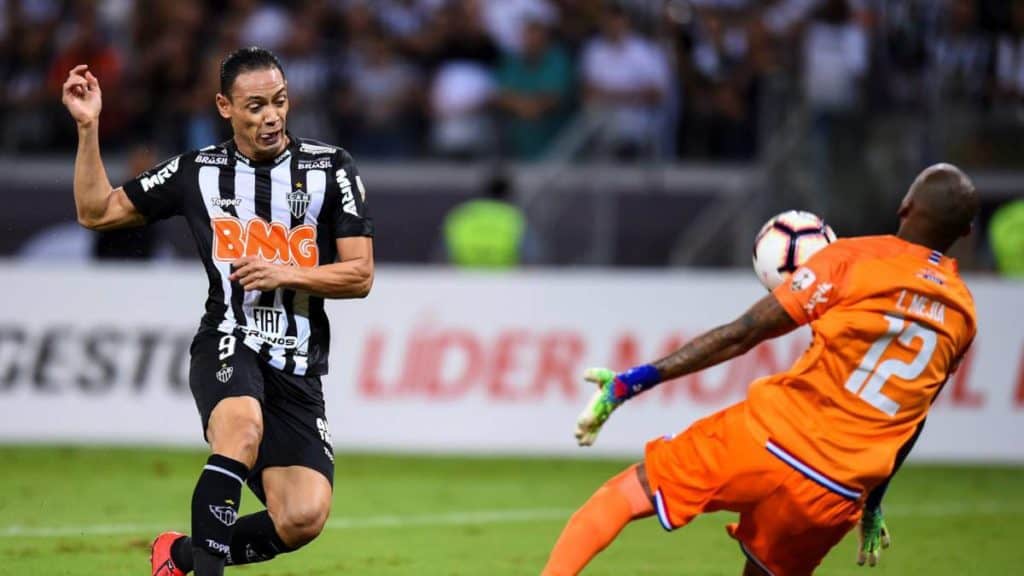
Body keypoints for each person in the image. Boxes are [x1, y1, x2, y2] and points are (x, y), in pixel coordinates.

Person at [542, 163, 979, 575]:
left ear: (904, 206)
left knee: (621, 497)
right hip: (835, 490)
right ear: (966, 232)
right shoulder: (963, 313)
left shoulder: (856, 258)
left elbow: (742, 333)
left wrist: (630, 383)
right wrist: (873, 502)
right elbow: (912, 417)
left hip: (768, 439)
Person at [60, 47, 374, 576]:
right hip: (229, 339)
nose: (271, 116)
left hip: (298, 366)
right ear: (224, 106)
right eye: (255, 106)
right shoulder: (198, 171)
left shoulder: (330, 168)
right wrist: (88, 129)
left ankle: (179, 556)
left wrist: (286, 273)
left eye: (279, 102)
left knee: (303, 516)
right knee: (242, 431)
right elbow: (95, 211)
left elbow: (359, 275)